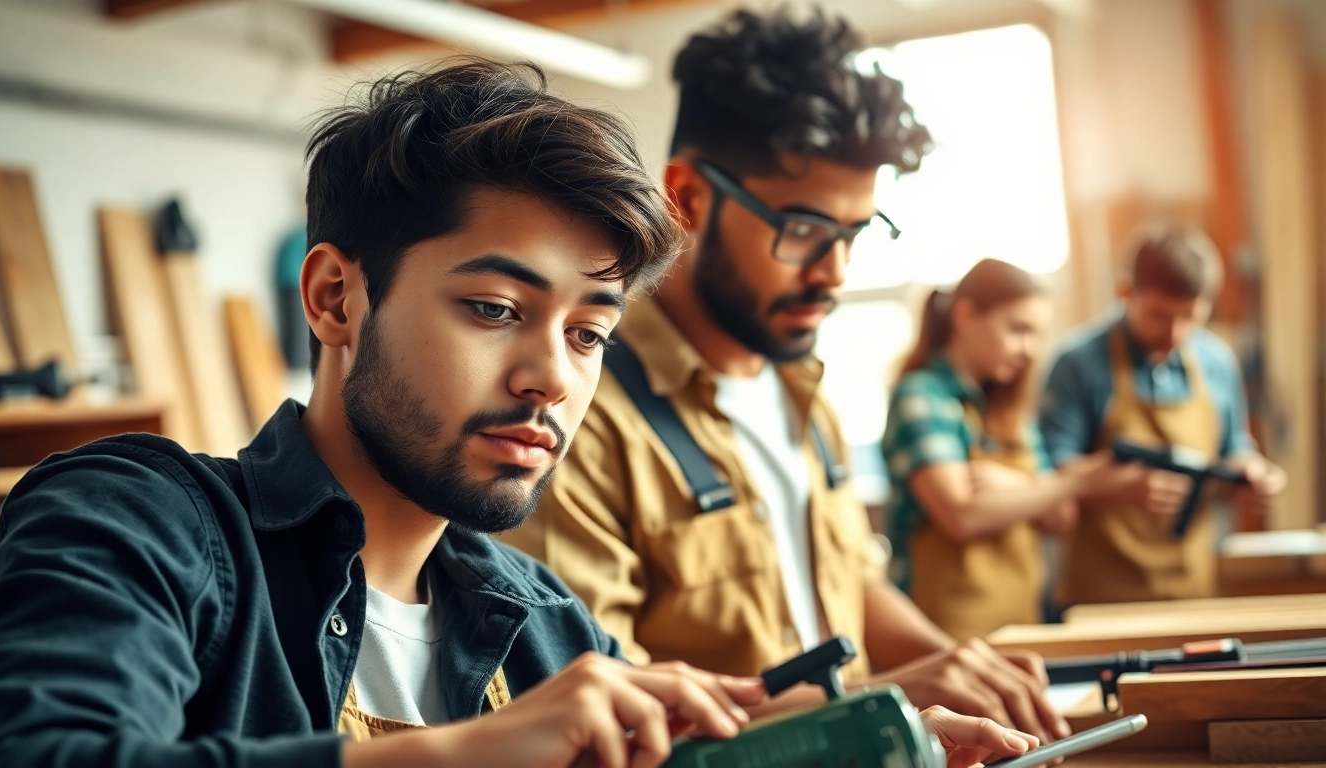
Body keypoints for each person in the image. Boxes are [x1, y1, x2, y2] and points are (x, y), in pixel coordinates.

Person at [0, 59, 1040, 768]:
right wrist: (462, 753)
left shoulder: (538, 623)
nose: (551, 378)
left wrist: (878, 738)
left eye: (589, 333)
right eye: (495, 309)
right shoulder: (136, 521)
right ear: (334, 297)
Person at [502, 9, 1071, 744]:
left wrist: (954, 664)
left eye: (855, 233)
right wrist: (883, 701)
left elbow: (848, 585)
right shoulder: (579, 420)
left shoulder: (801, 387)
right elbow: (602, 718)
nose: (834, 272)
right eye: (803, 230)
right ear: (689, 197)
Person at [1040, 224, 1286, 606]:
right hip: (1102, 597)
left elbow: (1233, 447)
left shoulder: (1216, 362)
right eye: (1159, 315)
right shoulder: (1077, 364)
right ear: (1126, 293)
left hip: (1193, 588)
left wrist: (1250, 473)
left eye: (1190, 317)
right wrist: (1115, 485)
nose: (1174, 333)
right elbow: (1052, 474)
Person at [882, 259, 1108, 641]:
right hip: (947, 635)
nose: (1030, 349)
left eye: (1037, 334)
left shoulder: (1011, 414)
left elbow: (1062, 520)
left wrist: (1012, 482)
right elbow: (962, 516)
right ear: (966, 315)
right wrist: (1073, 484)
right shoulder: (921, 397)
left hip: (1022, 626)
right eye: (1018, 329)